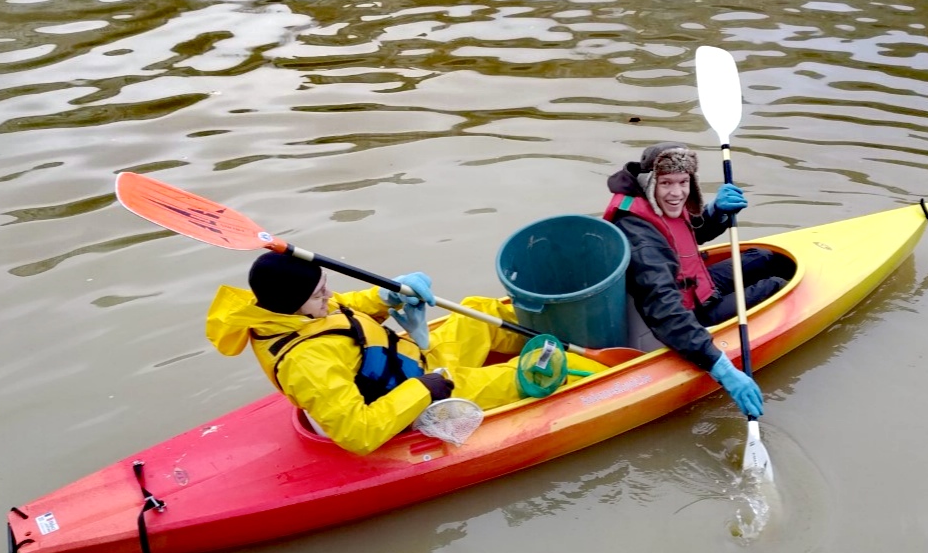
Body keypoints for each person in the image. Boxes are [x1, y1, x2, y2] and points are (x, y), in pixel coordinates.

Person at [206, 252, 604, 455]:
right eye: (319, 294)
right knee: (534, 371)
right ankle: (596, 370)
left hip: (415, 363)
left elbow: (345, 308)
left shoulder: (294, 310)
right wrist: (424, 391)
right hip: (411, 402)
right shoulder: (307, 364)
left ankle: (568, 324)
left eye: (325, 286)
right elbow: (357, 433)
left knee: (478, 311)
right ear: (293, 304)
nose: (328, 295)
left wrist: (385, 294)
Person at [605, 142, 794, 418]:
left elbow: (686, 235)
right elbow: (665, 311)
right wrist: (722, 369)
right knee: (775, 286)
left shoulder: (657, 201)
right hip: (683, 318)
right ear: (649, 182)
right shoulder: (639, 237)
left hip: (696, 286)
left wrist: (716, 213)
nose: (677, 193)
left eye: (683, 182)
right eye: (667, 182)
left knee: (764, 258)